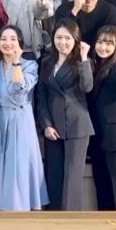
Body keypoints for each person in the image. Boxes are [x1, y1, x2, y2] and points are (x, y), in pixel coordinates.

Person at [36, 20, 94, 210]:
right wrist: (46, 124)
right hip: (53, 125)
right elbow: (41, 95)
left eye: (67, 38)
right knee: (54, 174)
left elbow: (87, 87)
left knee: (72, 176)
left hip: (77, 125)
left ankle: (72, 220)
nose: (63, 42)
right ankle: (53, 217)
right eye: (59, 37)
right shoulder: (46, 62)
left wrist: (84, 58)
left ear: (76, 39)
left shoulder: (82, 62)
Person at [0, 25, 47, 211]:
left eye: (13, 39)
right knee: (0, 165)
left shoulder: (30, 65)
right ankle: (1, 206)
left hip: (21, 119)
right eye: (4, 39)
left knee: (20, 165)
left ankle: (22, 206)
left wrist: (16, 63)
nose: (8, 43)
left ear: (20, 43)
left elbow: (20, 89)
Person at [87, 26, 116, 210]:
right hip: (98, 134)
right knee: (101, 181)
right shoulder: (94, 65)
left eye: (109, 43)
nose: (103, 47)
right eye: (100, 42)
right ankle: (104, 221)